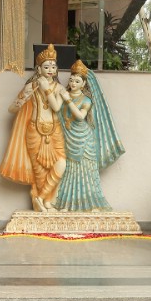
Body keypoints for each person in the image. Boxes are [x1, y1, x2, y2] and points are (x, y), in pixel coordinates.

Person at [0, 45, 67, 212]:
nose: (50, 70)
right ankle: (42, 203)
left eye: (53, 66)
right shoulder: (31, 87)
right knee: (39, 171)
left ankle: (43, 197)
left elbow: (57, 108)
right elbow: (12, 109)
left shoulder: (59, 88)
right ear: (38, 69)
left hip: (54, 130)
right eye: (46, 67)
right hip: (35, 130)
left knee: (61, 163)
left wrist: (47, 90)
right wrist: (20, 102)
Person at [54, 60, 124, 212]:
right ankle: (67, 203)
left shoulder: (86, 99)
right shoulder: (64, 95)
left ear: (83, 83)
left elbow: (80, 116)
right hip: (68, 137)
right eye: (71, 80)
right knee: (70, 172)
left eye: (77, 81)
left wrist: (67, 100)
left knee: (86, 172)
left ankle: (90, 203)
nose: (73, 83)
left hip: (84, 139)